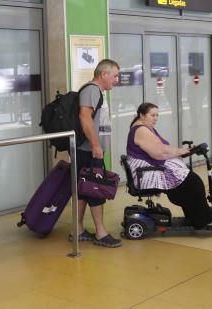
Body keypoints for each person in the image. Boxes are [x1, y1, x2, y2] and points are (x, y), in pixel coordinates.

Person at [126, 102, 212, 228]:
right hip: (146, 174)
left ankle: (195, 215)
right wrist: (180, 151)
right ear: (142, 115)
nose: (155, 118)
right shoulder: (141, 129)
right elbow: (159, 153)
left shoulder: (144, 127)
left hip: (148, 170)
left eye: (157, 115)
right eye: (152, 115)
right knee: (193, 182)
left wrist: (180, 151)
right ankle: (206, 217)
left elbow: (162, 148)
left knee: (189, 181)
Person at [72, 59, 122, 248]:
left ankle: (77, 230)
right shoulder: (92, 90)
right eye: (115, 75)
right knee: (95, 190)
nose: (116, 80)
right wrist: (95, 145)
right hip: (89, 151)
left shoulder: (97, 91)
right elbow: (84, 118)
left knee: (84, 191)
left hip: (90, 150)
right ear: (104, 74)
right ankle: (101, 233)